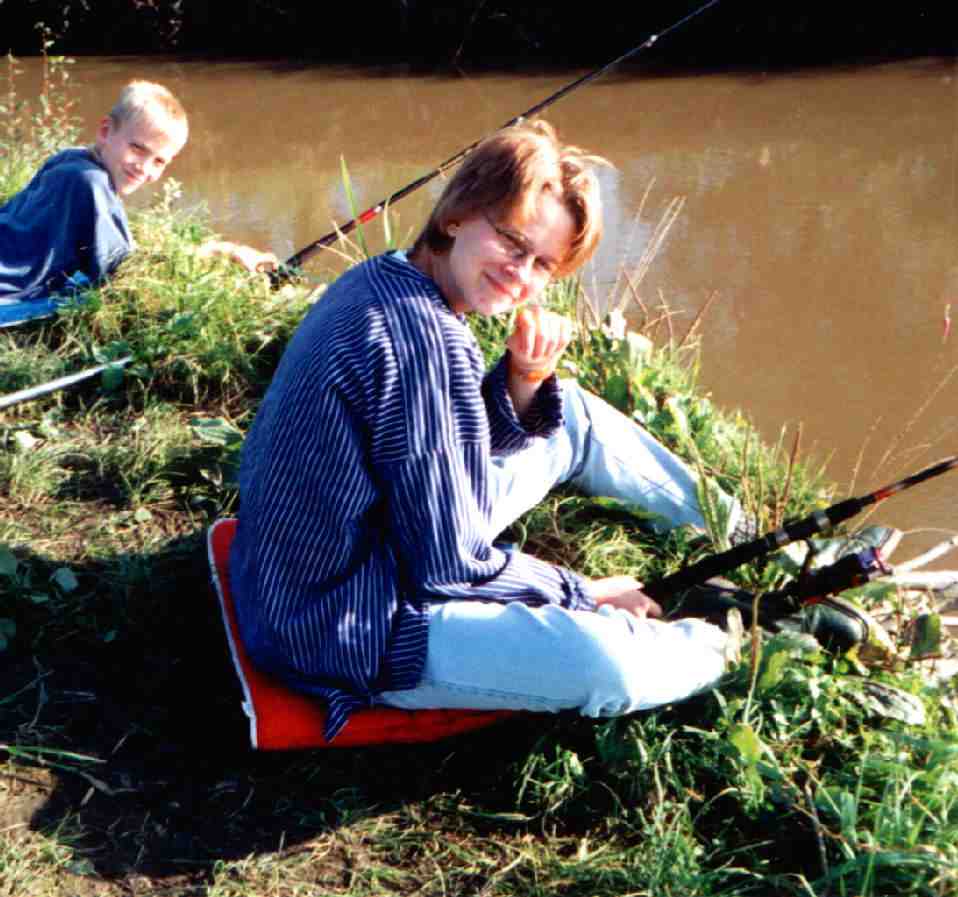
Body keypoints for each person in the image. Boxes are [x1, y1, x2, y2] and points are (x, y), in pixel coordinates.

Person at [229, 120, 746, 743]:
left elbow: (435, 444)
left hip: (311, 568)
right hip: (340, 622)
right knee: (609, 665)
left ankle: (732, 528)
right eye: (511, 241)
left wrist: (524, 381)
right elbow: (448, 562)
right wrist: (583, 594)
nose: (520, 274)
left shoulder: (385, 277)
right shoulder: (425, 343)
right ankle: (729, 637)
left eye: (542, 265)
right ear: (458, 216)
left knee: (569, 409)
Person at [0, 79, 277, 326]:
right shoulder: (91, 184)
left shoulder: (70, 158)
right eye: (137, 148)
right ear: (106, 131)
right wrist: (222, 251)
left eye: (159, 161)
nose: (144, 168)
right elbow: (131, 269)